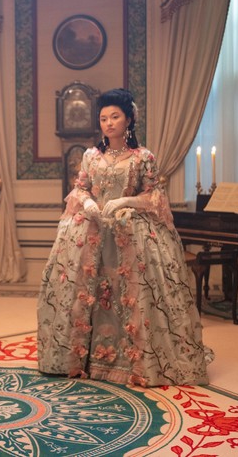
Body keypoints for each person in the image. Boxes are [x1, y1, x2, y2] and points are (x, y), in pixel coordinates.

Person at [37, 88, 210, 387]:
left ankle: (136, 361)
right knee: (84, 292)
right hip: (93, 230)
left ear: (129, 119)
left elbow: (155, 196)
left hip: (131, 231)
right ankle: (84, 359)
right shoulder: (91, 156)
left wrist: (125, 201)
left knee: (134, 293)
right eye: (103, 118)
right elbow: (80, 188)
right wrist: (87, 202)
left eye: (115, 116)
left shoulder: (143, 157)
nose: (108, 123)